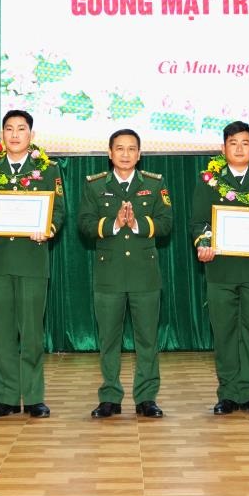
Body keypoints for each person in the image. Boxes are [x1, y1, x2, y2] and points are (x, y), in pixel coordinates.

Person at [0, 110, 66, 418]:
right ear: (1, 135)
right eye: (9, 129)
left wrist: (48, 228)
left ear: (31, 135)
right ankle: (6, 398)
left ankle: (34, 396)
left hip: (32, 260)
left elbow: (58, 210)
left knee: (32, 333)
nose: (14, 134)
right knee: (3, 333)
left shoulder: (48, 169)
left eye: (21, 129)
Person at [192, 121, 249, 415]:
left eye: (245, 143)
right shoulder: (209, 180)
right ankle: (228, 393)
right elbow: (198, 222)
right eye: (233, 143)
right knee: (224, 333)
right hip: (221, 270)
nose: (239, 148)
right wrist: (204, 243)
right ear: (223, 148)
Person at [77, 128, 172, 419]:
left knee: (147, 340)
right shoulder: (94, 185)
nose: (126, 154)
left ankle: (146, 398)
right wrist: (114, 224)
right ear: (110, 153)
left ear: (139, 154)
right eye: (120, 148)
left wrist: (137, 223)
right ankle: (109, 397)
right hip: (109, 275)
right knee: (109, 340)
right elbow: (85, 224)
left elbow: (166, 222)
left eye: (132, 149)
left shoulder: (155, 184)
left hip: (145, 274)